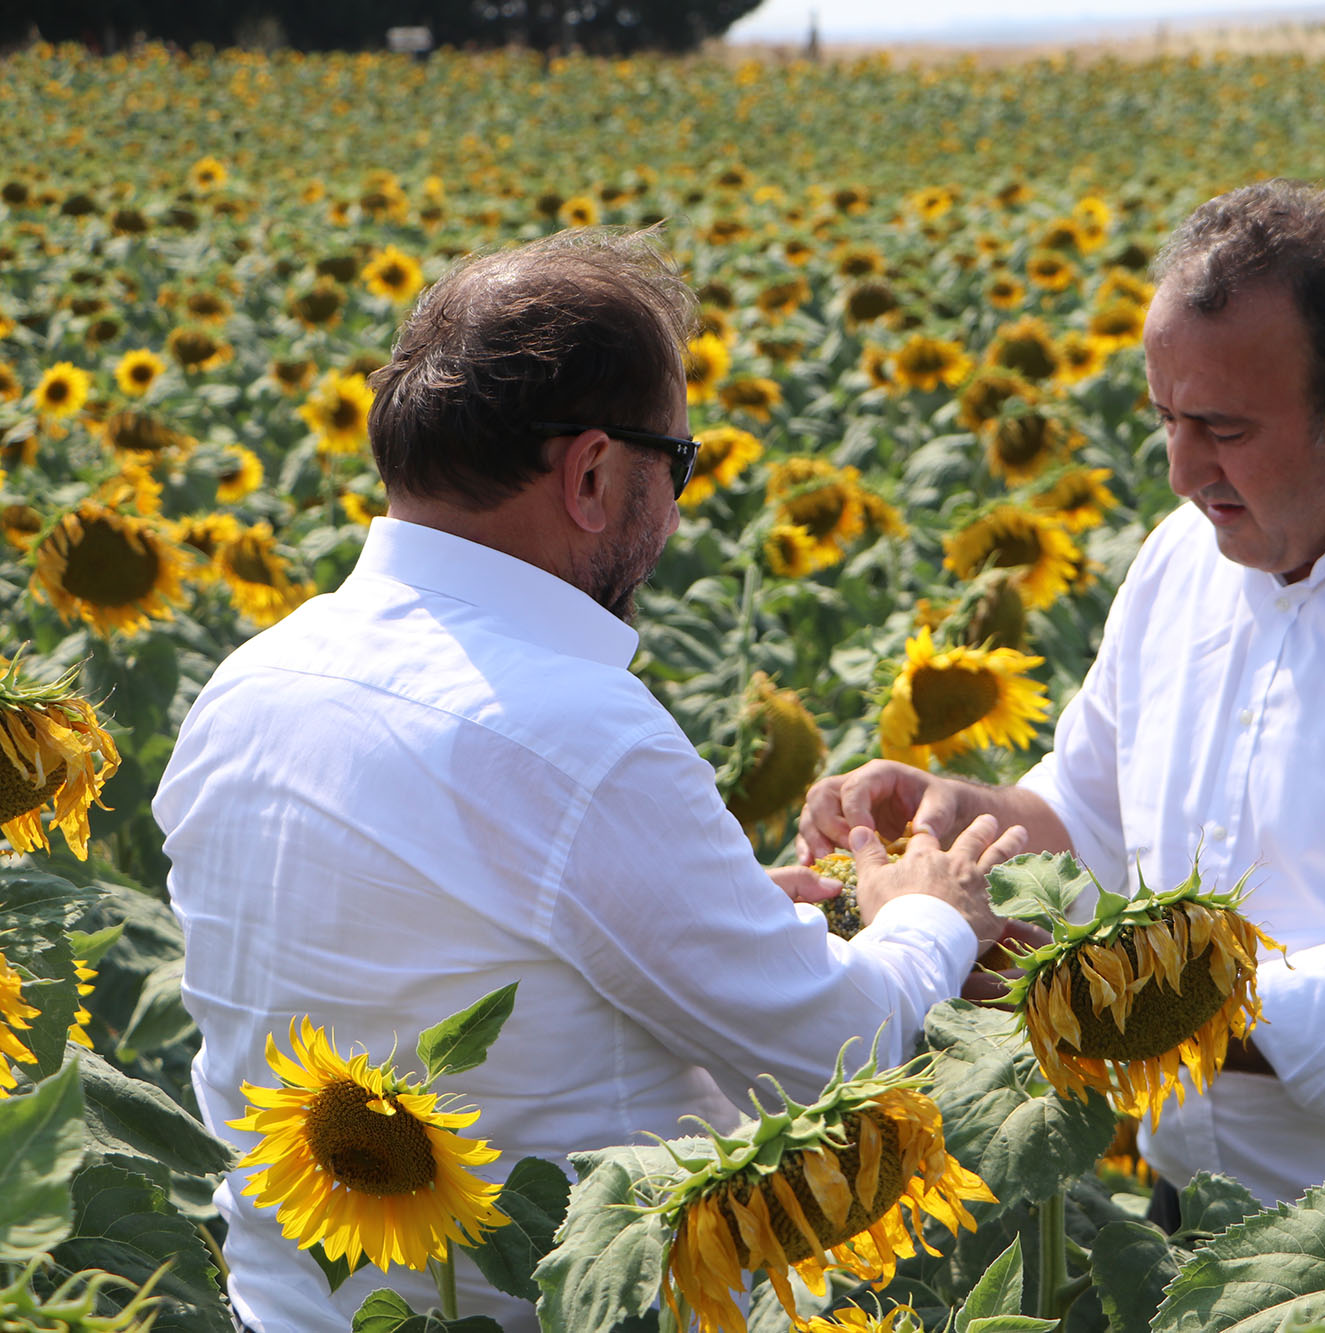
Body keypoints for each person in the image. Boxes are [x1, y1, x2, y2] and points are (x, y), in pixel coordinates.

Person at [155, 229, 1026, 1332]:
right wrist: (922, 918)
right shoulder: (576, 733)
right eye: (680, 464)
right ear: (593, 472)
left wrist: (714, 908)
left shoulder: (248, 683)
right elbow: (836, 1053)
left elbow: (456, 941)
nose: (675, 509)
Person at [798, 179, 1325, 1280]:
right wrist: (969, 821)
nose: (1180, 469)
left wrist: (1098, 991)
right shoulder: (1181, 560)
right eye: (1166, 418)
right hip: (1190, 1216)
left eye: (1222, 429)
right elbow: (1089, 816)